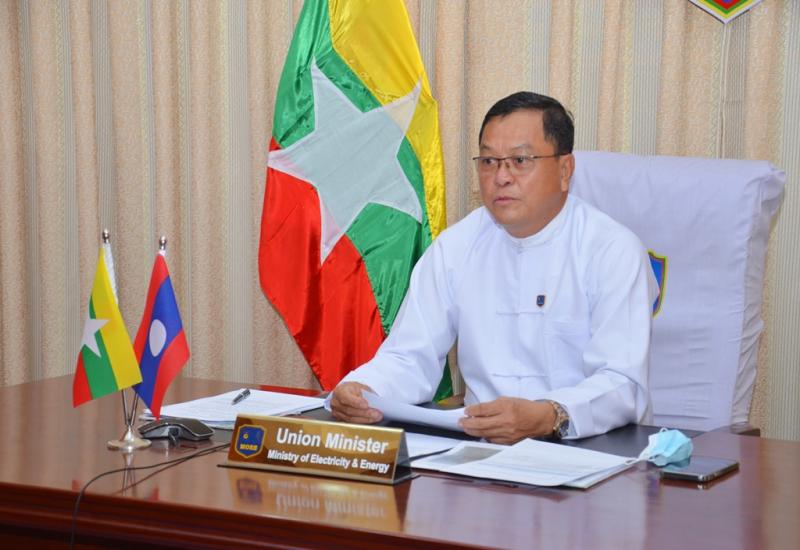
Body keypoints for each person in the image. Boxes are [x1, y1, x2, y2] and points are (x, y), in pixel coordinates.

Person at [330, 91, 657, 443]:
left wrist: (550, 414)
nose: (501, 177)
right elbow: (410, 357)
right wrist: (365, 388)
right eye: (488, 161)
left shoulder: (612, 250)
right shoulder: (456, 247)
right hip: (479, 449)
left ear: (565, 171)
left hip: (584, 448)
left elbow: (622, 383)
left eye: (520, 160)